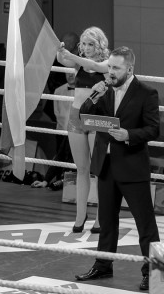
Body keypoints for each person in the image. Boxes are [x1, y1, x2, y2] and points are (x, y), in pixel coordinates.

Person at [75, 46, 160, 291]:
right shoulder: (104, 90)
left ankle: (152, 272)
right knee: (107, 222)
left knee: (145, 225)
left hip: (133, 167)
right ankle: (102, 266)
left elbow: (153, 129)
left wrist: (128, 134)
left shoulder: (146, 93)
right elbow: (84, 118)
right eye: (109, 67)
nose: (110, 72)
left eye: (116, 68)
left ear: (129, 68)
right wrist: (93, 96)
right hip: (106, 165)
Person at [57, 26, 108, 233]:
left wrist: (72, 57)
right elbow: (62, 60)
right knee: (82, 168)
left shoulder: (108, 62)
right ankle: (80, 215)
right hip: (76, 116)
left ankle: (100, 217)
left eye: (90, 44)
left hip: (97, 117)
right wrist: (60, 49)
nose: (86, 48)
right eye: (84, 44)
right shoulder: (78, 61)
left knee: (99, 169)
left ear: (99, 45)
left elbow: (95, 65)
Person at [31, 73, 75, 191]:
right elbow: (59, 157)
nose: (70, 74)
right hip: (66, 130)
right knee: (63, 154)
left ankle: (64, 180)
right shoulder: (59, 90)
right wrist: (46, 180)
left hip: (85, 177)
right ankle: (61, 180)